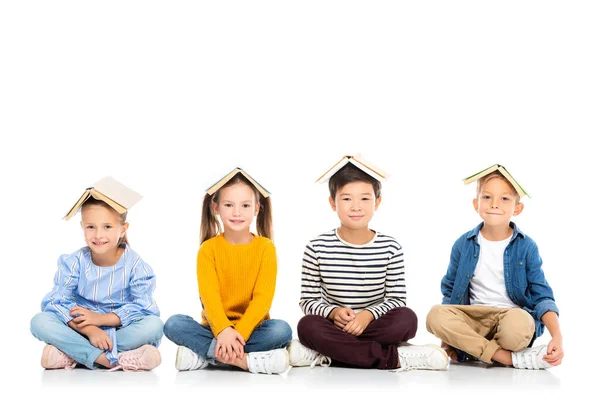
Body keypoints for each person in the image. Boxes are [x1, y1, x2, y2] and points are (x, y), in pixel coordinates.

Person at [289, 157, 449, 371]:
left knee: (407, 318)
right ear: (332, 202)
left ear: (377, 202)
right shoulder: (316, 247)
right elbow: (308, 301)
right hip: (336, 326)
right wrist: (334, 313)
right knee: (307, 326)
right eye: (346, 199)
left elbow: (396, 299)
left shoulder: (390, 247)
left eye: (365, 199)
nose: (356, 206)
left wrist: (367, 315)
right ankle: (394, 358)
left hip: (373, 324)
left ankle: (326, 353)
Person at [426, 165, 564, 370]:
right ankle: (505, 358)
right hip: (473, 318)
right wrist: (447, 340)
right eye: (487, 197)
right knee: (435, 315)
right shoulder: (463, 244)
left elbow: (542, 296)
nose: (494, 204)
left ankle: (476, 349)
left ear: (517, 208)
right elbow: (450, 293)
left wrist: (557, 337)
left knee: (518, 325)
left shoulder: (526, 246)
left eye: (504, 199)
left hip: (511, 319)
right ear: (476, 203)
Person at [163, 168, 292, 375]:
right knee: (173, 324)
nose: (237, 212)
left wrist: (237, 334)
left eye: (245, 205)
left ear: (257, 208)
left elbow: (263, 299)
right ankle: (245, 361)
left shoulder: (266, 248)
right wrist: (223, 331)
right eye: (229, 205)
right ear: (216, 207)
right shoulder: (208, 249)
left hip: (251, 330)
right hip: (214, 328)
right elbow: (209, 297)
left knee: (281, 331)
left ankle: (207, 356)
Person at [30, 177, 163, 371]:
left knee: (154, 325)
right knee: (39, 322)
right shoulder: (74, 262)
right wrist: (90, 329)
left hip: (119, 330)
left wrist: (100, 320)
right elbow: (55, 302)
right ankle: (110, 359)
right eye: (91, 227)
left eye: (107, 227)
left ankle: (72, 353)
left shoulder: (136, 267)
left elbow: (144, 307)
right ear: (83, 227)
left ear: (123, 229)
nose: (98, 235)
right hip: (80, 328)